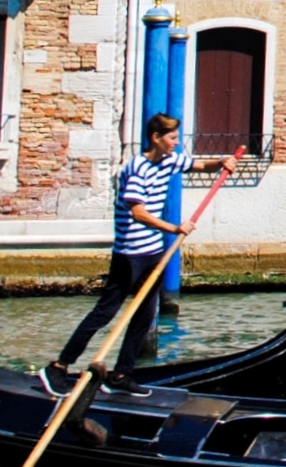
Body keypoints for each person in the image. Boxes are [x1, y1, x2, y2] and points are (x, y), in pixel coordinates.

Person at [46, 113, 190, 393]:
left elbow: (195, 164)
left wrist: (222, 163)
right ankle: (59, 366)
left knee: (145, 316)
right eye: (172, 138)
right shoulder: (137, 168)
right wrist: (174, 228)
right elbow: (138, 213)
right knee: (105, 313)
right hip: (129, 255)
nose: (177, 143)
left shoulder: (170, 160)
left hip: (152, 253)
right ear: (156, 138)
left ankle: (121, 376)